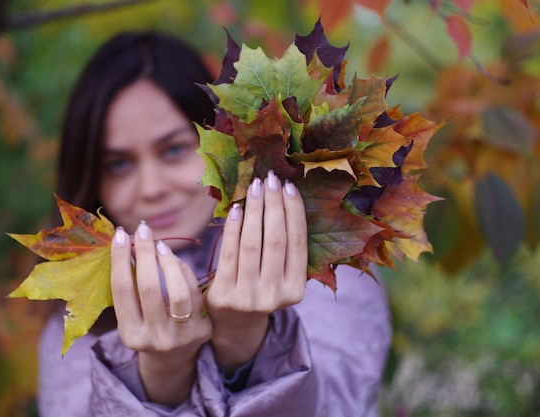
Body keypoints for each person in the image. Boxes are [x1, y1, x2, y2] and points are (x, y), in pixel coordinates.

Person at [38, 31, 391, 416]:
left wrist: (249, 344)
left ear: (223, 140)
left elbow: (340, 403)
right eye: (119, 164)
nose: (151, 188)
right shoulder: (77, 313)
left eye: (173, 149)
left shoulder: (320, 259)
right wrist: (158, 375)